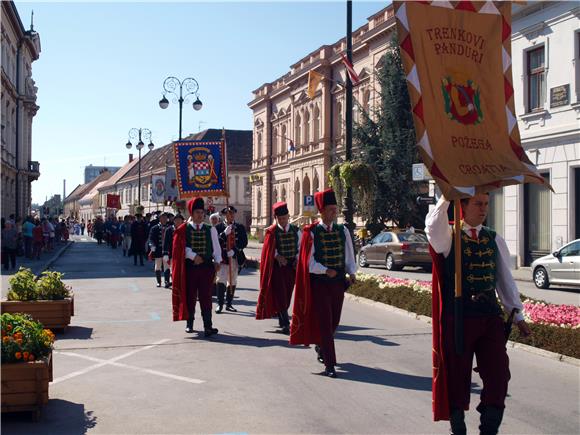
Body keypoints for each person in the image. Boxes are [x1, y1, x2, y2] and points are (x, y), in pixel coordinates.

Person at [425, 194, 531, 435]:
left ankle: (489, 429)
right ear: (462, 206)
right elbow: (431, 227)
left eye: (486, 203)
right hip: (459, 318)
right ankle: (458, 427)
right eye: (478, 204)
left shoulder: (494, 238)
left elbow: (505, 281)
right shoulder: (450, 237)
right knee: (457, 375)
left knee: (499, 374)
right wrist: (445, 197)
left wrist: (518, 316)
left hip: (489, 317)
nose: (484, 209)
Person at [290, 189, 357, 378]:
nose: (334, 213)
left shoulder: (342, 230)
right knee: (326, 323)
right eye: (330, 210)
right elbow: (308, 262)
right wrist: (324, 269)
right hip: (319, 284)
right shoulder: (311, 232)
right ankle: (330, 365)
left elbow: (349, 254)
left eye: (335, 209)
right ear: (321, 211)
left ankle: (321, 344)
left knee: (334, 321)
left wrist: (351, 272)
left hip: (338, 283)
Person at [171, 198, 221, 336]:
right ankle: (190, 323)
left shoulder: (210, 229)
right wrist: (193, 256)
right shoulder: (183, 229)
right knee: (190, 296)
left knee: (206, 296)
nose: (200, 215)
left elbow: (216, 248)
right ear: (191, 214)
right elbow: (179, 248)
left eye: (202, 212)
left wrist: (217, 261)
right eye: (197, 212)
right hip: (190, 268)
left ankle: (208, 326)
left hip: (206, 268)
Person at [256, 202, 301, 334]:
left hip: (292, 267)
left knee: (288, 293)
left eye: (284, 218)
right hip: (277, 268)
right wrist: (277, 256)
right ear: (276, 218)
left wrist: (297, 258)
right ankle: (286, 323)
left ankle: (282, 319)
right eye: (279, 219)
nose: (282, 221)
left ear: (288, 217)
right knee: (281, 293)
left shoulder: (296, 230)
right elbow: (269, 250)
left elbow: (301, 247)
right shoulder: (271, 232)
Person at [215, 205, 248, 313]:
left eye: (233, 213)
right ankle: (220, 304)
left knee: (232, 281)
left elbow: (244, 242)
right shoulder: (218, 227)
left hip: (234, 257)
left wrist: (235, 249)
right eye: (229, 213)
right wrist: (224, 233)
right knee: (221, 280)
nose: (231, 215)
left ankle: (229, 303)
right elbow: (216, 242)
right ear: (225, 215)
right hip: (223, 258)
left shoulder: (240, 227)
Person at [148, 212, 172, 288]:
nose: (164, 219)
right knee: (157, 266)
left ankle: (167, 281)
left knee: (167, 266)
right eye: (162, 217)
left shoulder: (170, 228)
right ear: (159, 218)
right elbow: (150, 239)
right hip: (158, 250)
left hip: (167, 250)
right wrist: (152, 245)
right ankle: (159, 282)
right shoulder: (154, 228)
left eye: (165, 217)